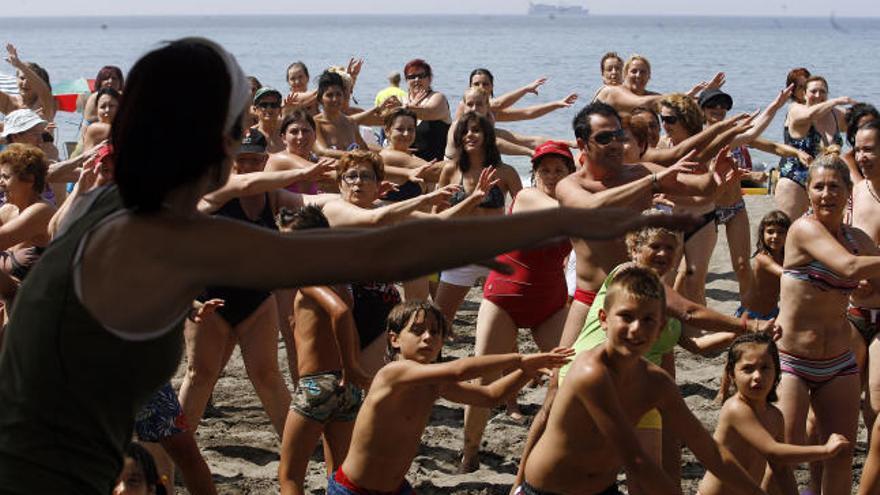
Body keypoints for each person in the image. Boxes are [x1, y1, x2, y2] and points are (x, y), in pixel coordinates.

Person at [0, 37, 696, 493]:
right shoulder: (159, 237)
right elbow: (375, 250)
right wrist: (571, 217)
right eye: (240, 124)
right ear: (210, 134)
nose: (246, 139)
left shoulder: (111, 204)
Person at [519, 265, 765, 495]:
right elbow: (636, 460)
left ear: (660, 329)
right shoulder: (590, 371)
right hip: (547, 490)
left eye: (648, 320)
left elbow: (710, 452)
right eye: (626, 317)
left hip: (602, 490)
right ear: (604, 319)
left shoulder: (656, 382)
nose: (636, 329)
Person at [327, 300, 573, 495]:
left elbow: (490, 396)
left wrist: (524, 372)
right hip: (352, 489)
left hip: (395, 489)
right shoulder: (393, 373)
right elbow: (460, 370)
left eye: (435, 332)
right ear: (394, 339)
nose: (427, 337)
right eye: (417, 330)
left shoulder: (433, 384)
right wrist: (519, 359)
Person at [179, 130, 335, 437]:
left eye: (253, 160)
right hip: (210, 298)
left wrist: (363, 200)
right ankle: (173, 452)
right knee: (200, 376)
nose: (246, 166)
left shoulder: (273, 196)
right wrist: (304, 171)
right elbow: (245, 184)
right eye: (241, 160)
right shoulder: (217, 188)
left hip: (256, 299)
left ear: (265, 161)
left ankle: (296, 446)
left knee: (267, 375)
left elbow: (315, 202)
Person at [322, 149, 498, 371]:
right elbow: (374, 220)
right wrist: (424, 198)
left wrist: (473, 199)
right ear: (340, 183)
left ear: (378, 185)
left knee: (373, 379)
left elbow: (437, 222)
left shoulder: (385, 209)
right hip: (344, 307)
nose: (358, 182)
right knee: (342, 377)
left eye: (367, 176)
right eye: (351, 176)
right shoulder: (334, 208)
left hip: (382, 307)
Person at [460, 141, 575, 472]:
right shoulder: (526, 197)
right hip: (505, 299)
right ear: (535, 174)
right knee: (484, 379)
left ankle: (565, 447)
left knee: (572, 375)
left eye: (559, 170)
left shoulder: (576, 205)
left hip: (549, 303)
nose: (551, 176)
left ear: (570, 174)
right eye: (545, 170)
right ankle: (469, 453)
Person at [774, 152, 880, 494]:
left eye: (834, 186)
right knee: (785, 454)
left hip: (839, 362)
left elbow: (868, 283)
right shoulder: (804, 229)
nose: (826, 194)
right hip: (792, 359)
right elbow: (848, 268)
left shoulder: (857, 240)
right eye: (818, 186)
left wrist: (871, 285)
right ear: (807, 191)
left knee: (841, 455)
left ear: (848, 192)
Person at [277, 205, 371, 495]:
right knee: (339, 475)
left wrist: (351, 364)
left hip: (317, 384)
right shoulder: (338, 275)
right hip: (346, 389)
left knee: (290, 476)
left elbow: (340, 313)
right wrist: (350, 367)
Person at [697, 333, 849, 495]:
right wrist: (825, 450)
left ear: (777, 372)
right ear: (731, 374)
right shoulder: (735, 408)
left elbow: (781, 468)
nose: (757, 376)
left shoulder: (775, 416)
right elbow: (773, 451)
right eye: (747, 369)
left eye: (765, 368)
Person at [433, 112, 523, 331]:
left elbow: (524, 209)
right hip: (460, 254)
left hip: (495, 254)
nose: (469, 135)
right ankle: (431, 362)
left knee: (504, 319)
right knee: (439, 320)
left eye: (475, 130)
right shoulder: (451, 170)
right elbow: (436, 214)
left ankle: (510, 365)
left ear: (487, 135)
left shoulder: (505, 172)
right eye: (464, 131)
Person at [776, 75, 854, 220]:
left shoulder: (835, 114)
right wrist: (835, 101)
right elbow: (809, 114)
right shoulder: (796, 109)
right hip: (796, 179)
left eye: (823, 92)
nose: (818, 95)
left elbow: (862, 123)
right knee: (790, 232)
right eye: (813, 91)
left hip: (827, 184)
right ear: (804, 94)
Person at [850, 120, 880, 433]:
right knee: (841, 402)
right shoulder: (857, 192)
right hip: (853, 311)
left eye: (869, 149)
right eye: (857, 149)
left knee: (875, 404)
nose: (861, 156)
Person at [0, 143, 55, 284]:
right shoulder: (8, 210)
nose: (1, 183)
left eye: (6, 177)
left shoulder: (41, 211)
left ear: (29, 180)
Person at [736, 210, 790, 322]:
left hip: (773, 312)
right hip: (752, 314)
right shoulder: (762, 258)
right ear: (762, 234)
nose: (775, 236)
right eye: (770, 232)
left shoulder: (786, 257)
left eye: (781, 232)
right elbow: (785, 273)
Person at [402, 59, 452, 162]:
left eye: (421, 76)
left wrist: (409, 107)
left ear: (430, 78)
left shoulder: (438, 98)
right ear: (406, 80)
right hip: (407, 165)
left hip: (435, 166)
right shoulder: (401, 99)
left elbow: (427, 112)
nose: (416, 80)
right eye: (411, 77)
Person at [314, 71, 369, 158]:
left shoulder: (350, 122)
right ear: (320, 99)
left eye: (338, 94)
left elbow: (364, 149)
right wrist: (353, 154)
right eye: (329, 95)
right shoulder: (315, 123)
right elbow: (322, 152)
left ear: (343, 97)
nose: (335, 99)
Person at [0, 43, 54, 120]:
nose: (25, 83)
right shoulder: (11, 103)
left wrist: (19, 65)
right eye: (22, 78)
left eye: (30, 81)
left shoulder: (45, 104)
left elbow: (43, 90)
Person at [843, 103, 880, 183]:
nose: (868, 130)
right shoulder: (848, 160)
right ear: (853, 133)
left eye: (873, 125)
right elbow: (860, 189)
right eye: (862, 127)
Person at [81, 87, 120, 152]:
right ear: (97, 110)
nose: (107, 110)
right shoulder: (94, 129)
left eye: (111, 106)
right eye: (103, 107)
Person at [250, 87, 285, 153]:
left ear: (280, 110)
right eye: (264, 105)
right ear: (255, 110)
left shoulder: (289, 134)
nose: (269, 109)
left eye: (274, 105)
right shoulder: (249, 136)